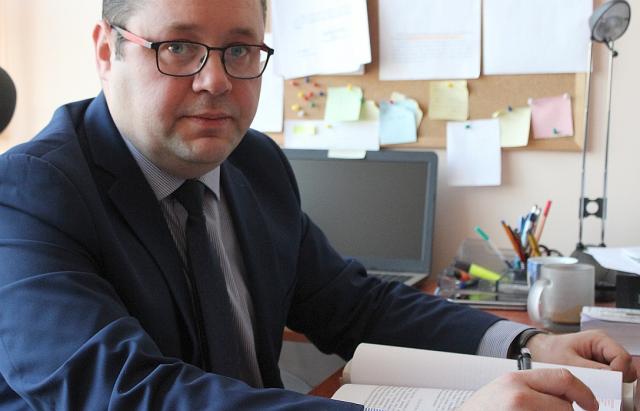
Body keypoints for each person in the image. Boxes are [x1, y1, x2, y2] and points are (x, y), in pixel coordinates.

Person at [0, 0, 635, 409]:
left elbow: (355, 304)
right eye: (178, 47)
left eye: (240, 50)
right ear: (106, 52)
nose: (215, 80)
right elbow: (124, 392)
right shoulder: (29, 193)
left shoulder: (254, 164)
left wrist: (526, 343)